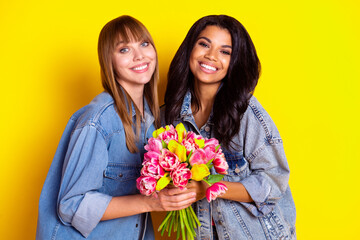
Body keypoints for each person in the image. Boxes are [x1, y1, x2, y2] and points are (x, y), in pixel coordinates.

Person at [36, 15, 196, 240]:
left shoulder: (151, 122)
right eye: (124, 50)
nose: (139, 55)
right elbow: (72, 204)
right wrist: (152, 201)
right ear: (108, 61)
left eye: (144, 43)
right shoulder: (99, 120)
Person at [163, 15, 296, 240]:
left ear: (235, 61)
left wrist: (208, 187)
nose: (211, 56)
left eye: (225, 52)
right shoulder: (172, 116)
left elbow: (273, 180)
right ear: (190, 49)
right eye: (204, 44)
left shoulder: (245, 111)